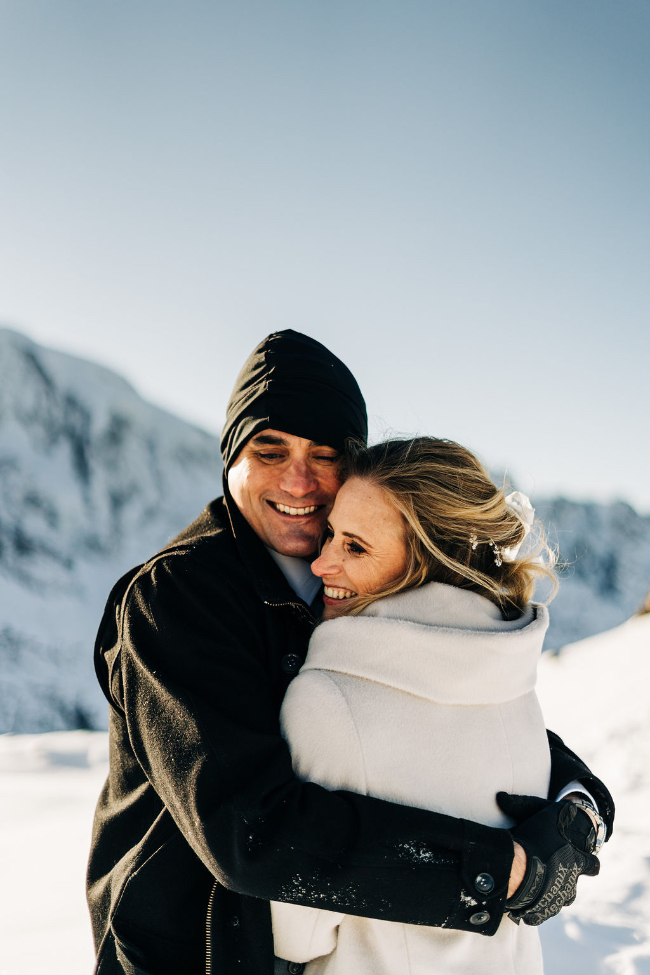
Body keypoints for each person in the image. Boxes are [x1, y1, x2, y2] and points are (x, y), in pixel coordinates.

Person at [87, 331, 614, 975]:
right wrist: (496, 870)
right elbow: (250, 833)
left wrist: (577, 806)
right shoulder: (177, 598)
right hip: (189, 956)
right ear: (231, 459)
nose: (298, 480)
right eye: (269, 450)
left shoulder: (362, 576)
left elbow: (453, 707)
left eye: (325, 454)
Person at [270, 437, 606, 974]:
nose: (322, 562)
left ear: (427, 562)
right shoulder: (511, 675)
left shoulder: (328, 701)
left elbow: (298, 932)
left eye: (355, 548)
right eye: (330, 534)